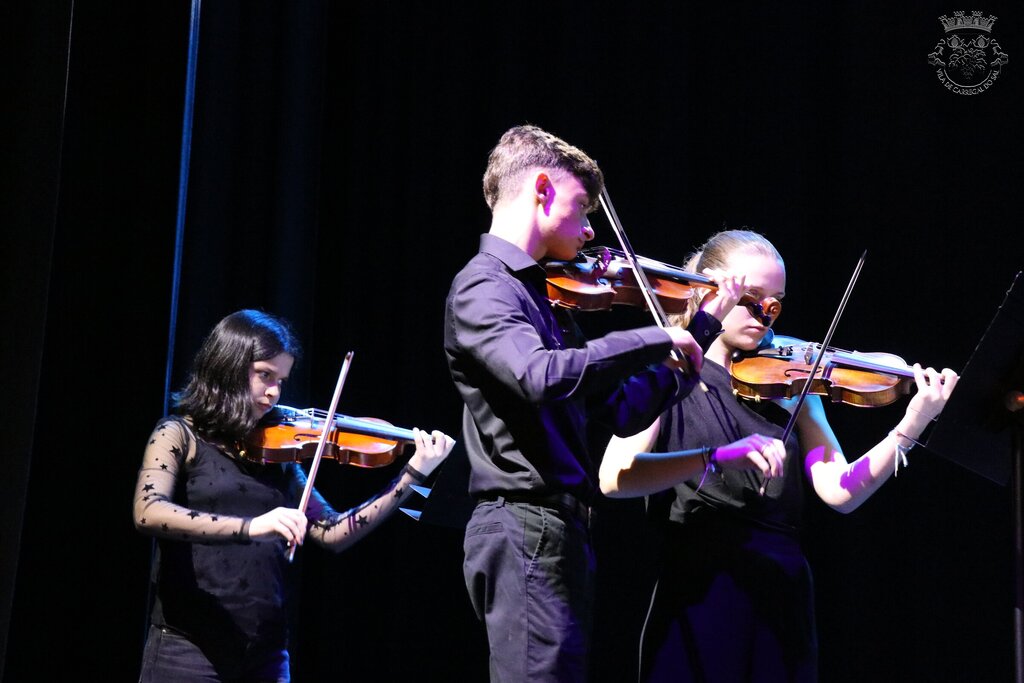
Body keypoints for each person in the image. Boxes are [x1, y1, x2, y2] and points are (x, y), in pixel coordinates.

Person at [443, 124, 775, 683]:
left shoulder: (540, 297)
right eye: (582, 208)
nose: (591, 229)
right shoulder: (486, 286)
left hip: (557, 532)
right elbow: (538, 376)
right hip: (523, 523)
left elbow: (621, 408)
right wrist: (655, 337)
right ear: (542, 189)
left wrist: (701, 328)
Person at [599, 229, 959, 682]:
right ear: (710, 290)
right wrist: (714, 457)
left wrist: (913, 424)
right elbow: (614, 477)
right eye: (750, 299)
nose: (764, 315)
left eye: (775, 304)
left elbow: (841, 490)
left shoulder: (792, 381)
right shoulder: (670, 369)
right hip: (700, 585)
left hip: (781, 593)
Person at [133, 309, 455, 682]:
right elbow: (148, 511)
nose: (274, 393)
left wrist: (412, 474)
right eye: (264, 375)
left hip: (265, 654)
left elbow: (332, 531)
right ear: (228, 366)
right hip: (186, 649)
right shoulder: (178, 435)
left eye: (281, 380)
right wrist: (252, 526)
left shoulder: (279, 455)